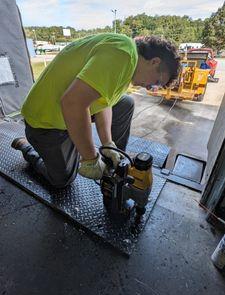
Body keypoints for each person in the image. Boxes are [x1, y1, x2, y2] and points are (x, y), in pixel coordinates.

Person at [11, 33, 180, 187]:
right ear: (154, 62)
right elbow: (73, 103)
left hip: (64, 113)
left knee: (125, 103)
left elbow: (103, 102)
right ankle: (27, 147)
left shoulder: (128, 62)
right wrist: (90, 158)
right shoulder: (123, 54)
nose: (149, 87)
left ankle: (114, 160)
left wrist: (107, 143)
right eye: (156, 82)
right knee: (62, 180)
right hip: (45, 123)